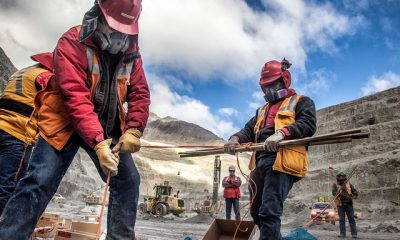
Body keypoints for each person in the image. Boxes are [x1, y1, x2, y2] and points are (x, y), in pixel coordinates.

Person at [0, 0, 150, 239]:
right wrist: (98, 143)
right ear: (98, 16)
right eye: (114, 28)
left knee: (128, 181)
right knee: (39, 180)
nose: (119, 36)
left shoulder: (132, 53)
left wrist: (134, 129)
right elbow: (75, 97)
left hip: (106, 123)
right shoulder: (72, 41)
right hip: (64, 121)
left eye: (125, 30)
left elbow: (140, 93)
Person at [224, 58, 316, 239]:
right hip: (260, 161)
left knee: (269, 212)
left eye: (272, 85)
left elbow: (308, 124)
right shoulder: (262, 110)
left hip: (282, 161)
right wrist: (235, 138)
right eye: (265, 87)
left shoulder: (301, 101)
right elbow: (248, 130)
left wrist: (283, 133)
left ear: (285, 79)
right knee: (257, 211)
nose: (269, 90)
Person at [0, 52, 53, 215]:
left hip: (2, 125)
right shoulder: (45, 77)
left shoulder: (22, 72)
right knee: (8, 185)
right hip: (17, 133)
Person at [332, 172, 359, 238]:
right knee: (341, 220)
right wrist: (339, 193)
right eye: (339, 177)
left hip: (349, 204)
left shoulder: (349, 185)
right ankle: (342, 234)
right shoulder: (335, 185)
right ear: (337, 178)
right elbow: (334, 193)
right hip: (340, 205)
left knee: (351, 219)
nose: (341, 178)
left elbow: (355, 192)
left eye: (342, 177)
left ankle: (354, 234)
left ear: (344, 178)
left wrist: (353, 196)